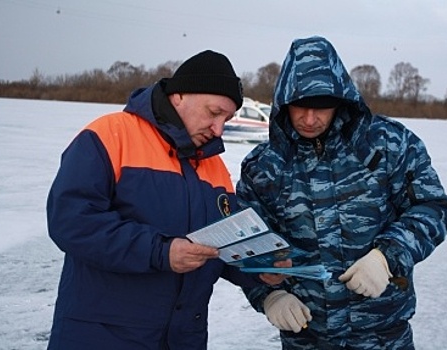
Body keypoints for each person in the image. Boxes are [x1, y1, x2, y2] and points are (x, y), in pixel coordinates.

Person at [46, 50, 287, 349]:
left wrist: (259, 269)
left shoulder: (213, 166)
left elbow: (217, 247)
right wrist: (160, 252)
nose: (219, 129)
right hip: (104, 335)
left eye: (227, 118)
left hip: (183, 337)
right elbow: (71, 220)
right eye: (214, 113)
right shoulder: (110, 134)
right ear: (179, 96)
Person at [236, 36, 447, 349]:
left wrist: (386, 256)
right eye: (300, 107)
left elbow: (433, 207)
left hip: (381, 336)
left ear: (341, 100)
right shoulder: (263, 165)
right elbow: (247, 243)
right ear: (284, 102)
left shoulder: (388, 144)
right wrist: (269, 294)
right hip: (306, 337)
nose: (310, 119)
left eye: (321, 108)